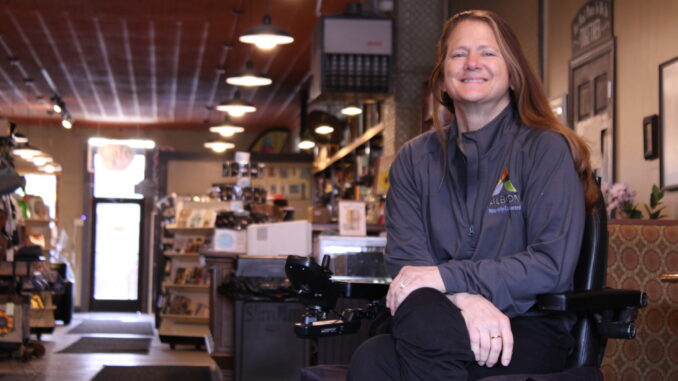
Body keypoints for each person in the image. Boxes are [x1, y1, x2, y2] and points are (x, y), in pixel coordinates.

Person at [348, 9, 598, 381]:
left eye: (488, 52)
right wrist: (465, 299)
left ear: (513, 73)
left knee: (375, 360)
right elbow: (408, 267)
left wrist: (449, 279)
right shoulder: (414, 161)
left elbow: (550, 266)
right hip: (435, 317)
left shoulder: (545, 149)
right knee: (402, 329)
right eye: (459, 53)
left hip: (525, 326)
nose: (472, 63)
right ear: (443, 79)